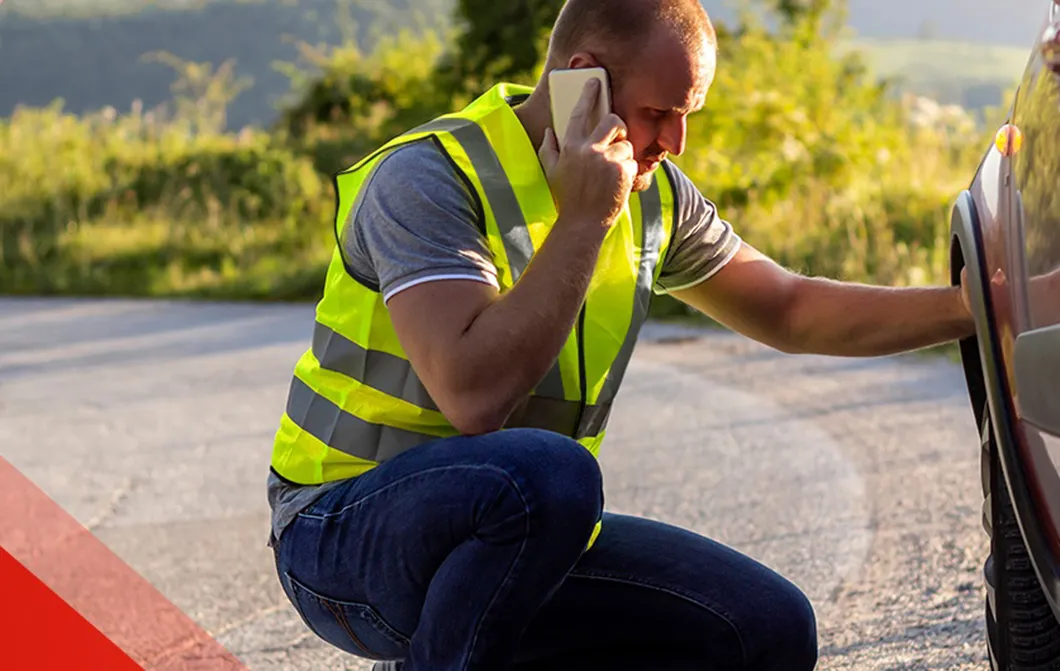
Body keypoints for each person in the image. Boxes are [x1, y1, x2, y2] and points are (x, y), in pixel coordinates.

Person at [265, 0, 975, 668]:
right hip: (338, 534)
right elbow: (472, 395)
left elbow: (789, 308)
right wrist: (583, 219)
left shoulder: (656, 193)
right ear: (585, 85)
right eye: (659, 112)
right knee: (550, 476)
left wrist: (977, 306)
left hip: (512, 537)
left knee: (767, 628)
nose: (673, 141)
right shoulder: (427, 178)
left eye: (687, 116)